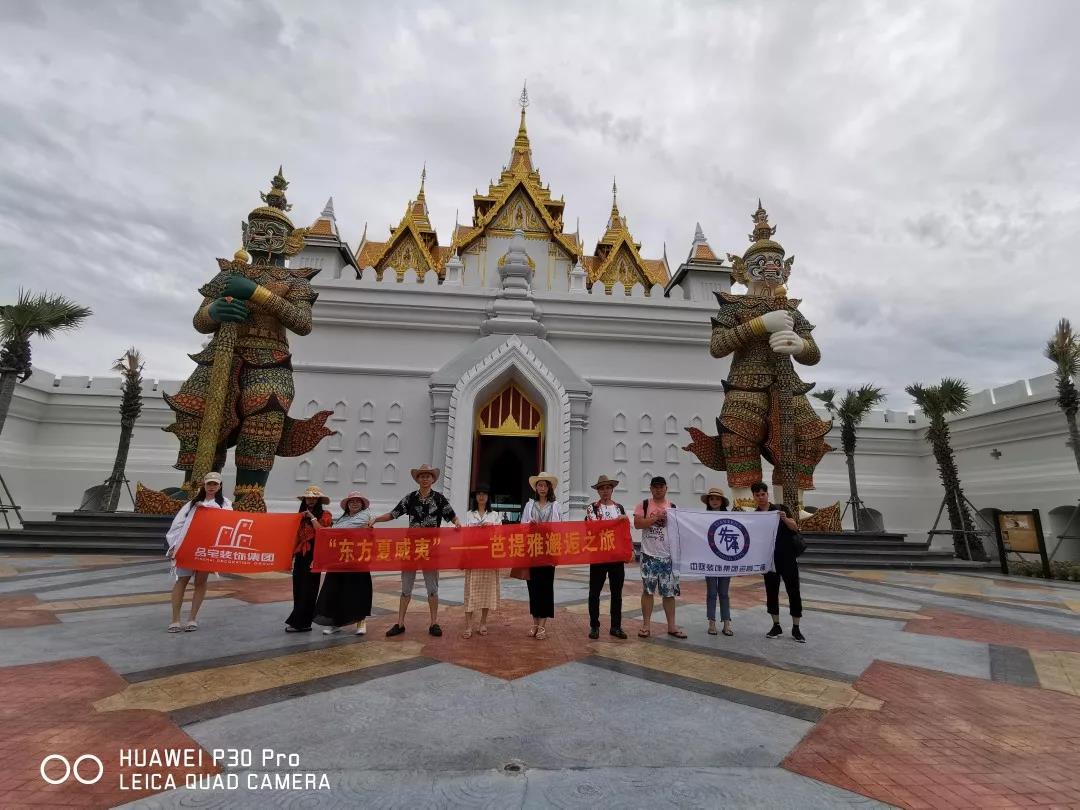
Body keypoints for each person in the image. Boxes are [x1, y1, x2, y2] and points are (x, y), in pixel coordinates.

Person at [372, 463, 461, 637]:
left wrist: (457, 522)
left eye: (428, 476)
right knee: (406, 587)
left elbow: (452, 516)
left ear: (433, 479)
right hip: (411, 548)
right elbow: (393, 514)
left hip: (431, 549)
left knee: (432, 588)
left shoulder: (439, 499)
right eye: (422, 476)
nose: (425, 479)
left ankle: (434, 622)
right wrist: (376, 519)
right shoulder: (410, 498)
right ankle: (400, 623)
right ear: (418, 479)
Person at [165, 472, 231, 632]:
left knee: (201, 582)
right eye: (209, 484)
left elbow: (228, 523)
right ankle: (175, 620)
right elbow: (177, 525)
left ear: (220, 486)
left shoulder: (225, 504)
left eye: (215, 484)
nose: (212, 487)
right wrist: (174, 545)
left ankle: (192, 619)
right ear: (204, 485)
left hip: (207, 549)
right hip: (188, 547)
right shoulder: (192, 504)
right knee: (182, 580)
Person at [314, 491, 374, 636]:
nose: (354, 503)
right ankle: (335, 622)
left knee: (358, 591)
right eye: (351, 501)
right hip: (340, 558)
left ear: (362, 505)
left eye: (358, 501)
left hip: (358, 559)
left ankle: (361, 622)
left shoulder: (366, 516)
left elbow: (343, 529)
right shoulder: (342, 519)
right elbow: (333, 532)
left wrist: (333, 530)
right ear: (347, 505)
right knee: (335, 589)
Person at [752, 482, 805, 643]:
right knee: (771, 592)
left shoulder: (780, 509)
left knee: (793, 591)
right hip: (769, 560)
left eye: (763, 494)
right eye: (757, 495)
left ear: (767, 494)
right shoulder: (755, 515)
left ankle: (796, 628)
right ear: (753, 497)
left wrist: (784, 518)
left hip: (787, 557)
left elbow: (795, 528)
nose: (761, 497)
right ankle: (776, 625)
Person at [634, 475, 685, 639]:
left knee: (669, 593)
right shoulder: (644, 505)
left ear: (666, 488)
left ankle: (672, 626)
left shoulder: (673, 507)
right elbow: (637, 524)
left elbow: (680, 530)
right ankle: (646, 625)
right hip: (649, 555)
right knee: (648, 591)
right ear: (651, 488)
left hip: (667, 557)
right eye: (655, 487)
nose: (658, 490)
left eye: (661, 487)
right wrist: (655, 518)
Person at [585, 474, 628, 640]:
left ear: (612, 490)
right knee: (594, 592)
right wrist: (617, 522)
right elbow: (595, 527)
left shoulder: (619, 508)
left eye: (608, 488)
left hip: (616, 556)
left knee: (617, 593)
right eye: (602, 488)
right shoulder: (592, 508)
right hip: (599, 555)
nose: (605, 491)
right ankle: (594, 626)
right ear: (598, 491)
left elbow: (624, 532)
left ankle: (616, 626)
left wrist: (628, 549)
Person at [285, 485, 333, 632]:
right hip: (301, 554)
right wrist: (290, 556)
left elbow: (322, 532)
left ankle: (302, 622)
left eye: (314, 498)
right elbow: (294, 537)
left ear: (318, 500)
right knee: (298, 587)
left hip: (315, 554)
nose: (310, 501)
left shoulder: (325, 515)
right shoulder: (299, 517)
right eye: (308, 498)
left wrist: (312, 517)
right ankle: (300, 621)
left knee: (309, 588)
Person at [522, 471, 562, 640]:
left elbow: (559, 528)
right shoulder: (529, 505)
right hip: (532, 550)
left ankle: (542, 626)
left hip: (548, 551)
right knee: (533, 588)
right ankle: (534, 623)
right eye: (540, 485)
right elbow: (522, 526)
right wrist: (530, 525)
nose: (542, 488)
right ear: (536, 488)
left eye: (545, 485)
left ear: (549, 488)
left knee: (546, 588)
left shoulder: (555, 505)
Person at [461, 484, 502, 639]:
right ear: (475, 497)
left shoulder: (495, 515)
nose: (481, 496)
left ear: (488, 497)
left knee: (487, 591)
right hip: (473, 557)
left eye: (484, 493)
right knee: (470, 591)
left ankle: (483, 623)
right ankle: (468, 625)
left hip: (489, 557)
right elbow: (463, 535)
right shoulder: (468, 514)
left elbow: (501, 534)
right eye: (479, 493)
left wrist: (491, 527)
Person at [701, 487, 734, 637]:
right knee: (712, 592)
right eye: (712, 498)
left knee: (724, 593)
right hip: (709, 560)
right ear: (708, 501)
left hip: (725, 560)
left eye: (717, 499)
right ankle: (712, 622)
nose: (714, 501)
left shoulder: (730, 517)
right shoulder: (702, 518)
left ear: (722, 501)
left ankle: (727, 623)